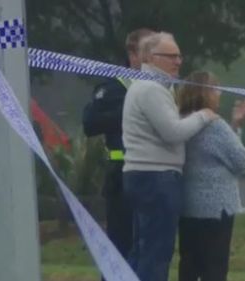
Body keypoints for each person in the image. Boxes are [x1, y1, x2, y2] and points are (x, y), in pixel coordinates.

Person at [122, 32, 218, 281]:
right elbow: (173, 132)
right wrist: (204, 115)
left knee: (143, 250)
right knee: (157, 252)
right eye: (171, 56)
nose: (178, 62)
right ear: (151, 58)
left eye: (179, 56)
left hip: (144, 176)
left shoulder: (146, 86)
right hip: (156, 178)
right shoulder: (151, 89)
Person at [82, 28, 155, 267]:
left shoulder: (161, 85)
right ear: (133, 54)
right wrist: (133, 110)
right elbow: (90, 124)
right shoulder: (114, 86)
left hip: (155, 175)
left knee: (149, 247)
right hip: (122, 174)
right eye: (149, 51)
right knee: (121, 245)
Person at [176, 71, 245, 281]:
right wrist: (235, 128)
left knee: (189, 265)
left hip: (188, 205)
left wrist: (235, 125)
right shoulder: (215, 126)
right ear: (205, 93)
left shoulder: (180, 121)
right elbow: (242, 161)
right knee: (215, 267)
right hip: (217, 208)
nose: (219, 94)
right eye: (216, 89)